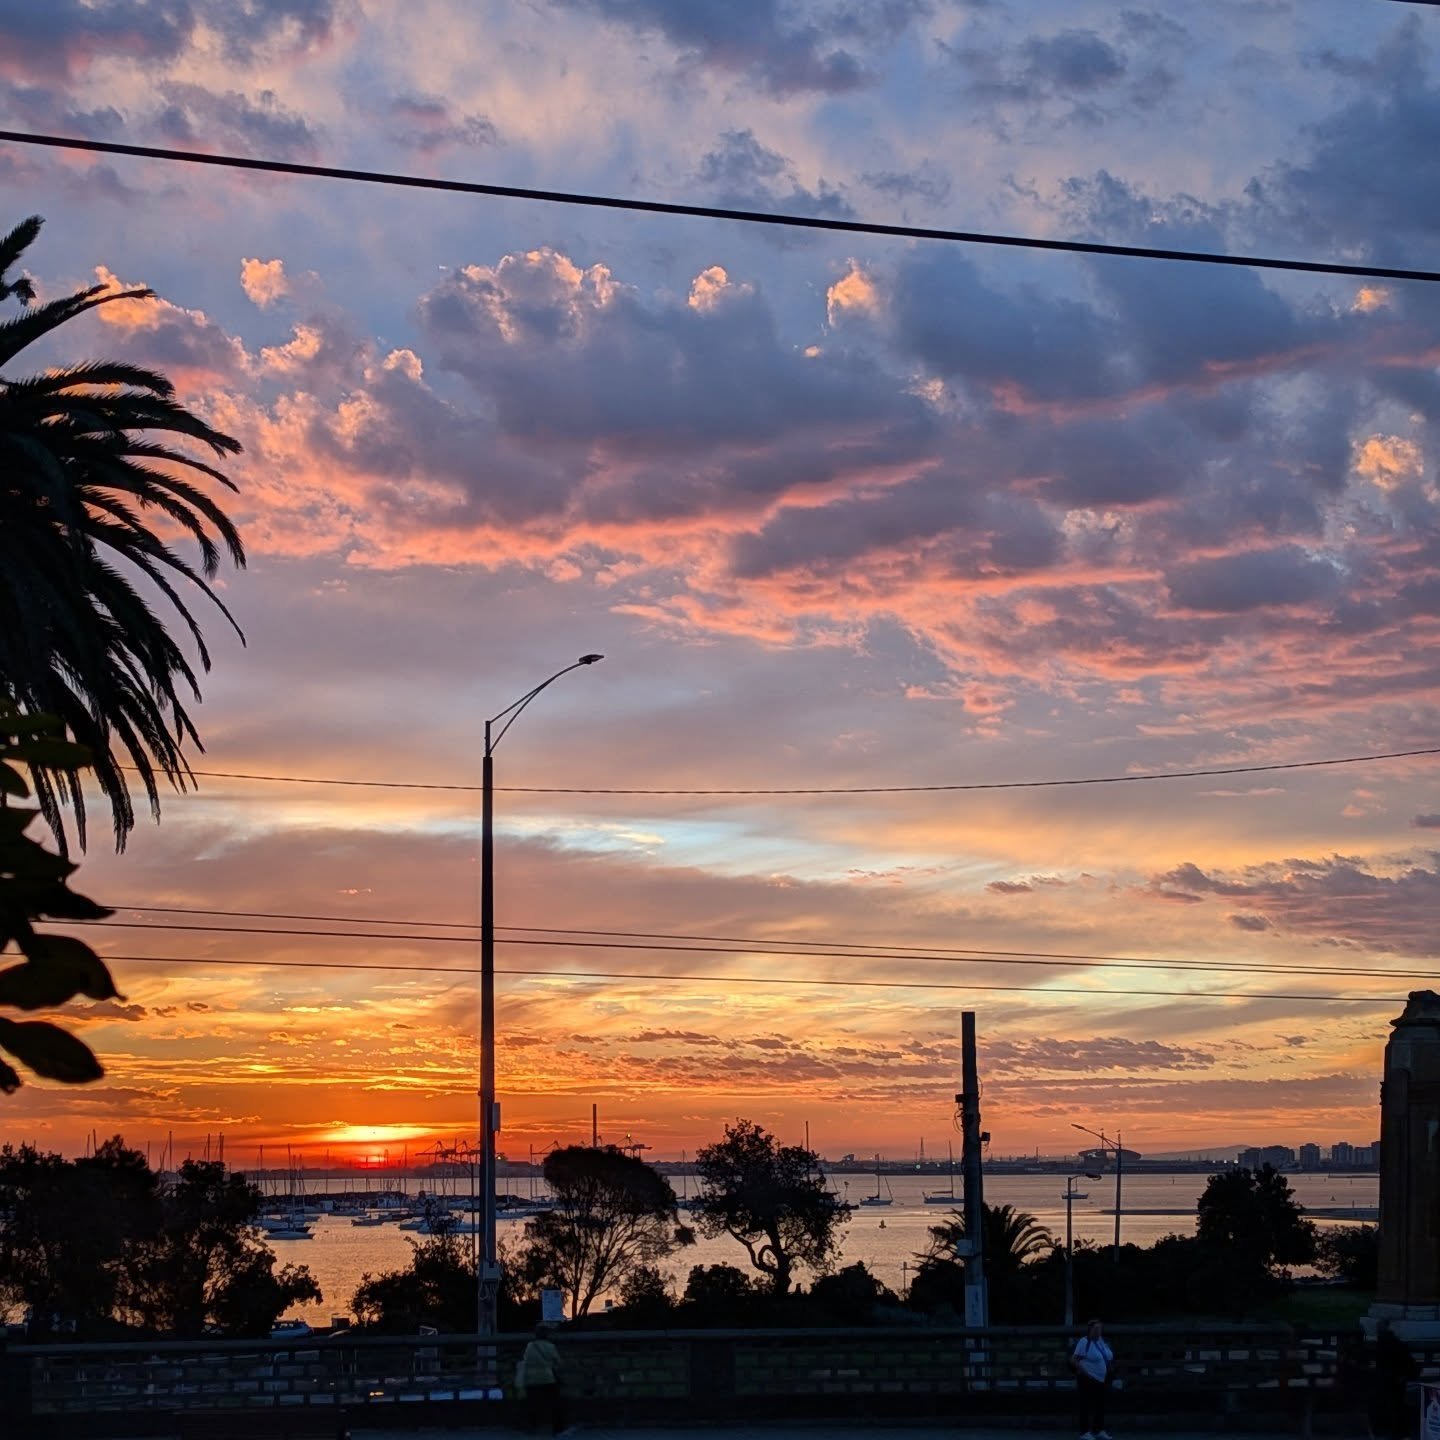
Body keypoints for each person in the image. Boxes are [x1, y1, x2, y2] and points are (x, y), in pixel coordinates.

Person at [1372, 1319, 1420, 1440]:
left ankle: (1397, 1431)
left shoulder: (1388, 1344)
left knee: (1395, 1405)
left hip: (1393, 1379)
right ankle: (1397, 1431)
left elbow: (1405, 1363)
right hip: (1393, 1378)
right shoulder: (1390, 1343)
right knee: (1395, 1405)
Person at [1070, 1317, 1114, 1440]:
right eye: (1096, 1328)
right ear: (1090, 1329)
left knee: (1100, 1405)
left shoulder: (1101, 1341)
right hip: (1087, 1378)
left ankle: (1098, 1430)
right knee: (1085, 1405)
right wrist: (1085, 1372)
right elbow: (1074, 1359)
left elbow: (1107, 1356)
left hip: (1101, 1379)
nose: (1098, 1331)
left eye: (1100, 1328)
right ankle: (1084, 1432)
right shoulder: (1084, 1341)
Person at [521, 1321, 566, 1436]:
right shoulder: (550, 1346)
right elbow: (558, 1362)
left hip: (531, 1379)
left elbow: (525, 1361)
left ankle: (532, 1426)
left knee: (533, 1404)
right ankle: (558, 1427)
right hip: (547, 1378)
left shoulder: (530, 1346)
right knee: (554, 1403)